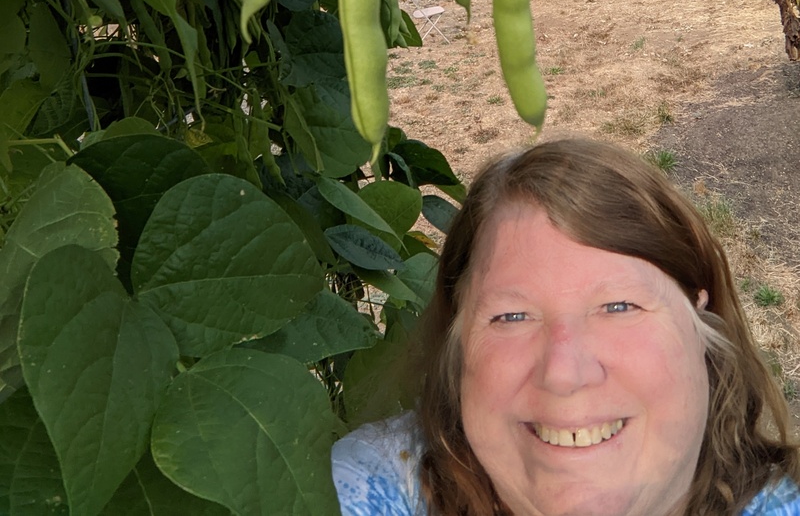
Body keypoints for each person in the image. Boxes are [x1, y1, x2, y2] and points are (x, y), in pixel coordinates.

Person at [332, 137, 800, 516]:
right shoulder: (367, 486)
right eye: (511, 317)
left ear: (700, 315)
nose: (563, 372)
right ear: (458, 345)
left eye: (618, 306)